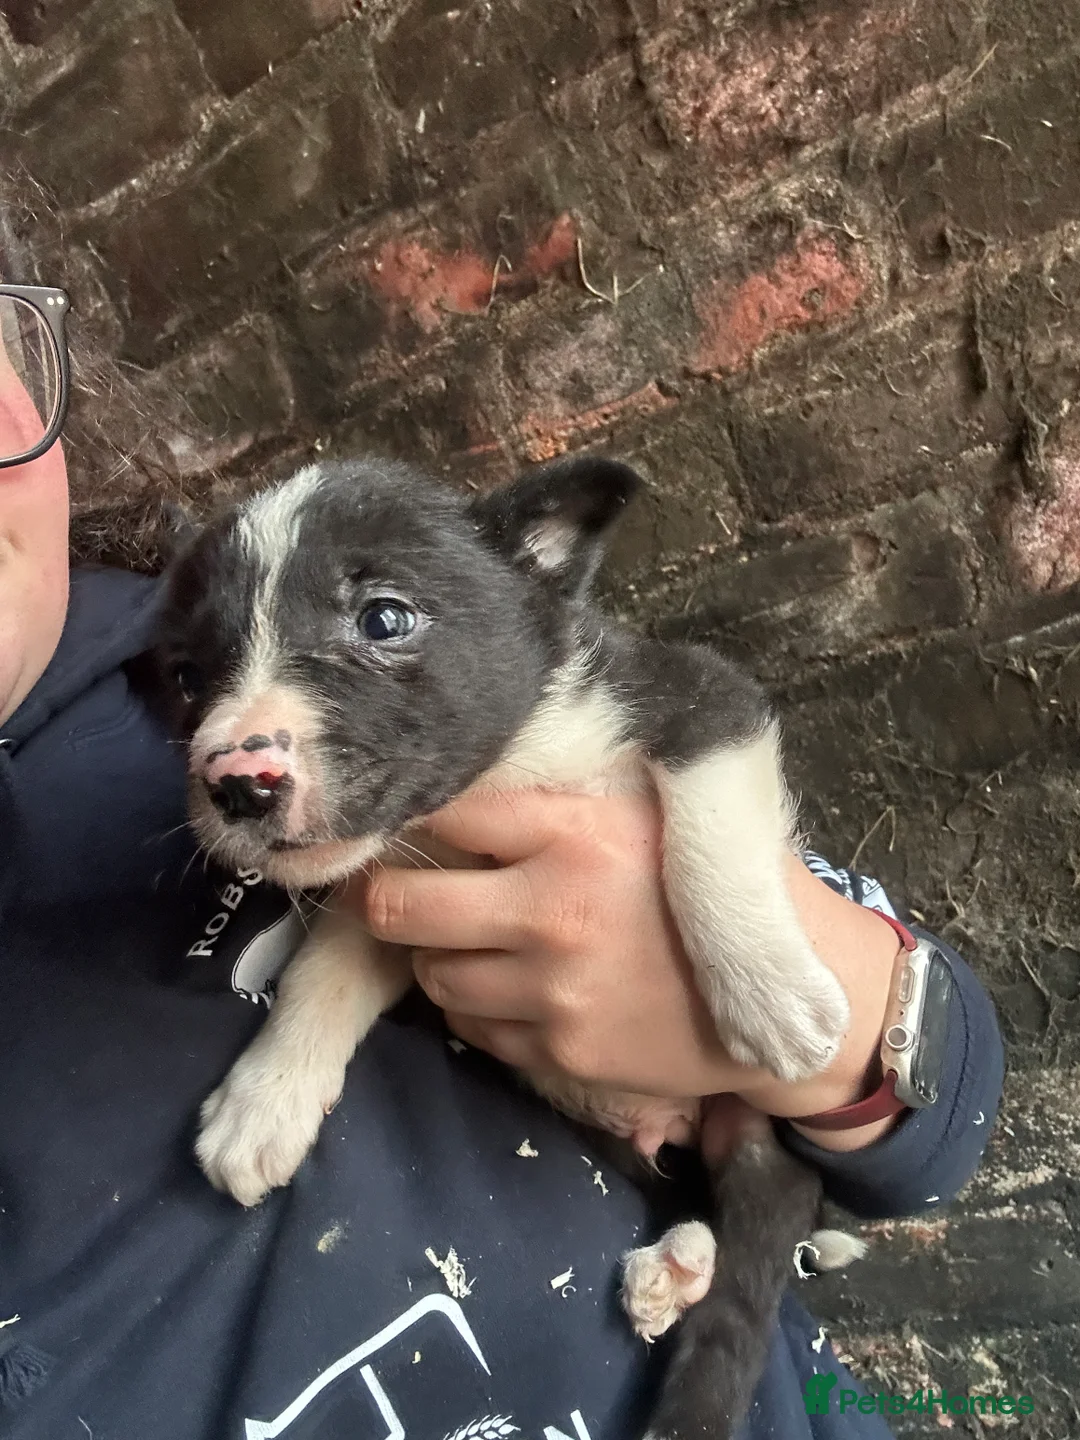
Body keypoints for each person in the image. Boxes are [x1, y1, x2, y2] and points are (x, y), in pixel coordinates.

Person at [0, 265, 1004, 1440]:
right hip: (608, 1174)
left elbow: (937, 1096)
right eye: (199, 678)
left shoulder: (548, 708)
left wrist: (830, 1009)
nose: (232, 739)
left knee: (763, 1182)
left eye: (379, 623)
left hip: (754, 1177)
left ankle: (733, 1240)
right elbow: (379, 918)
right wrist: (296, 1060)